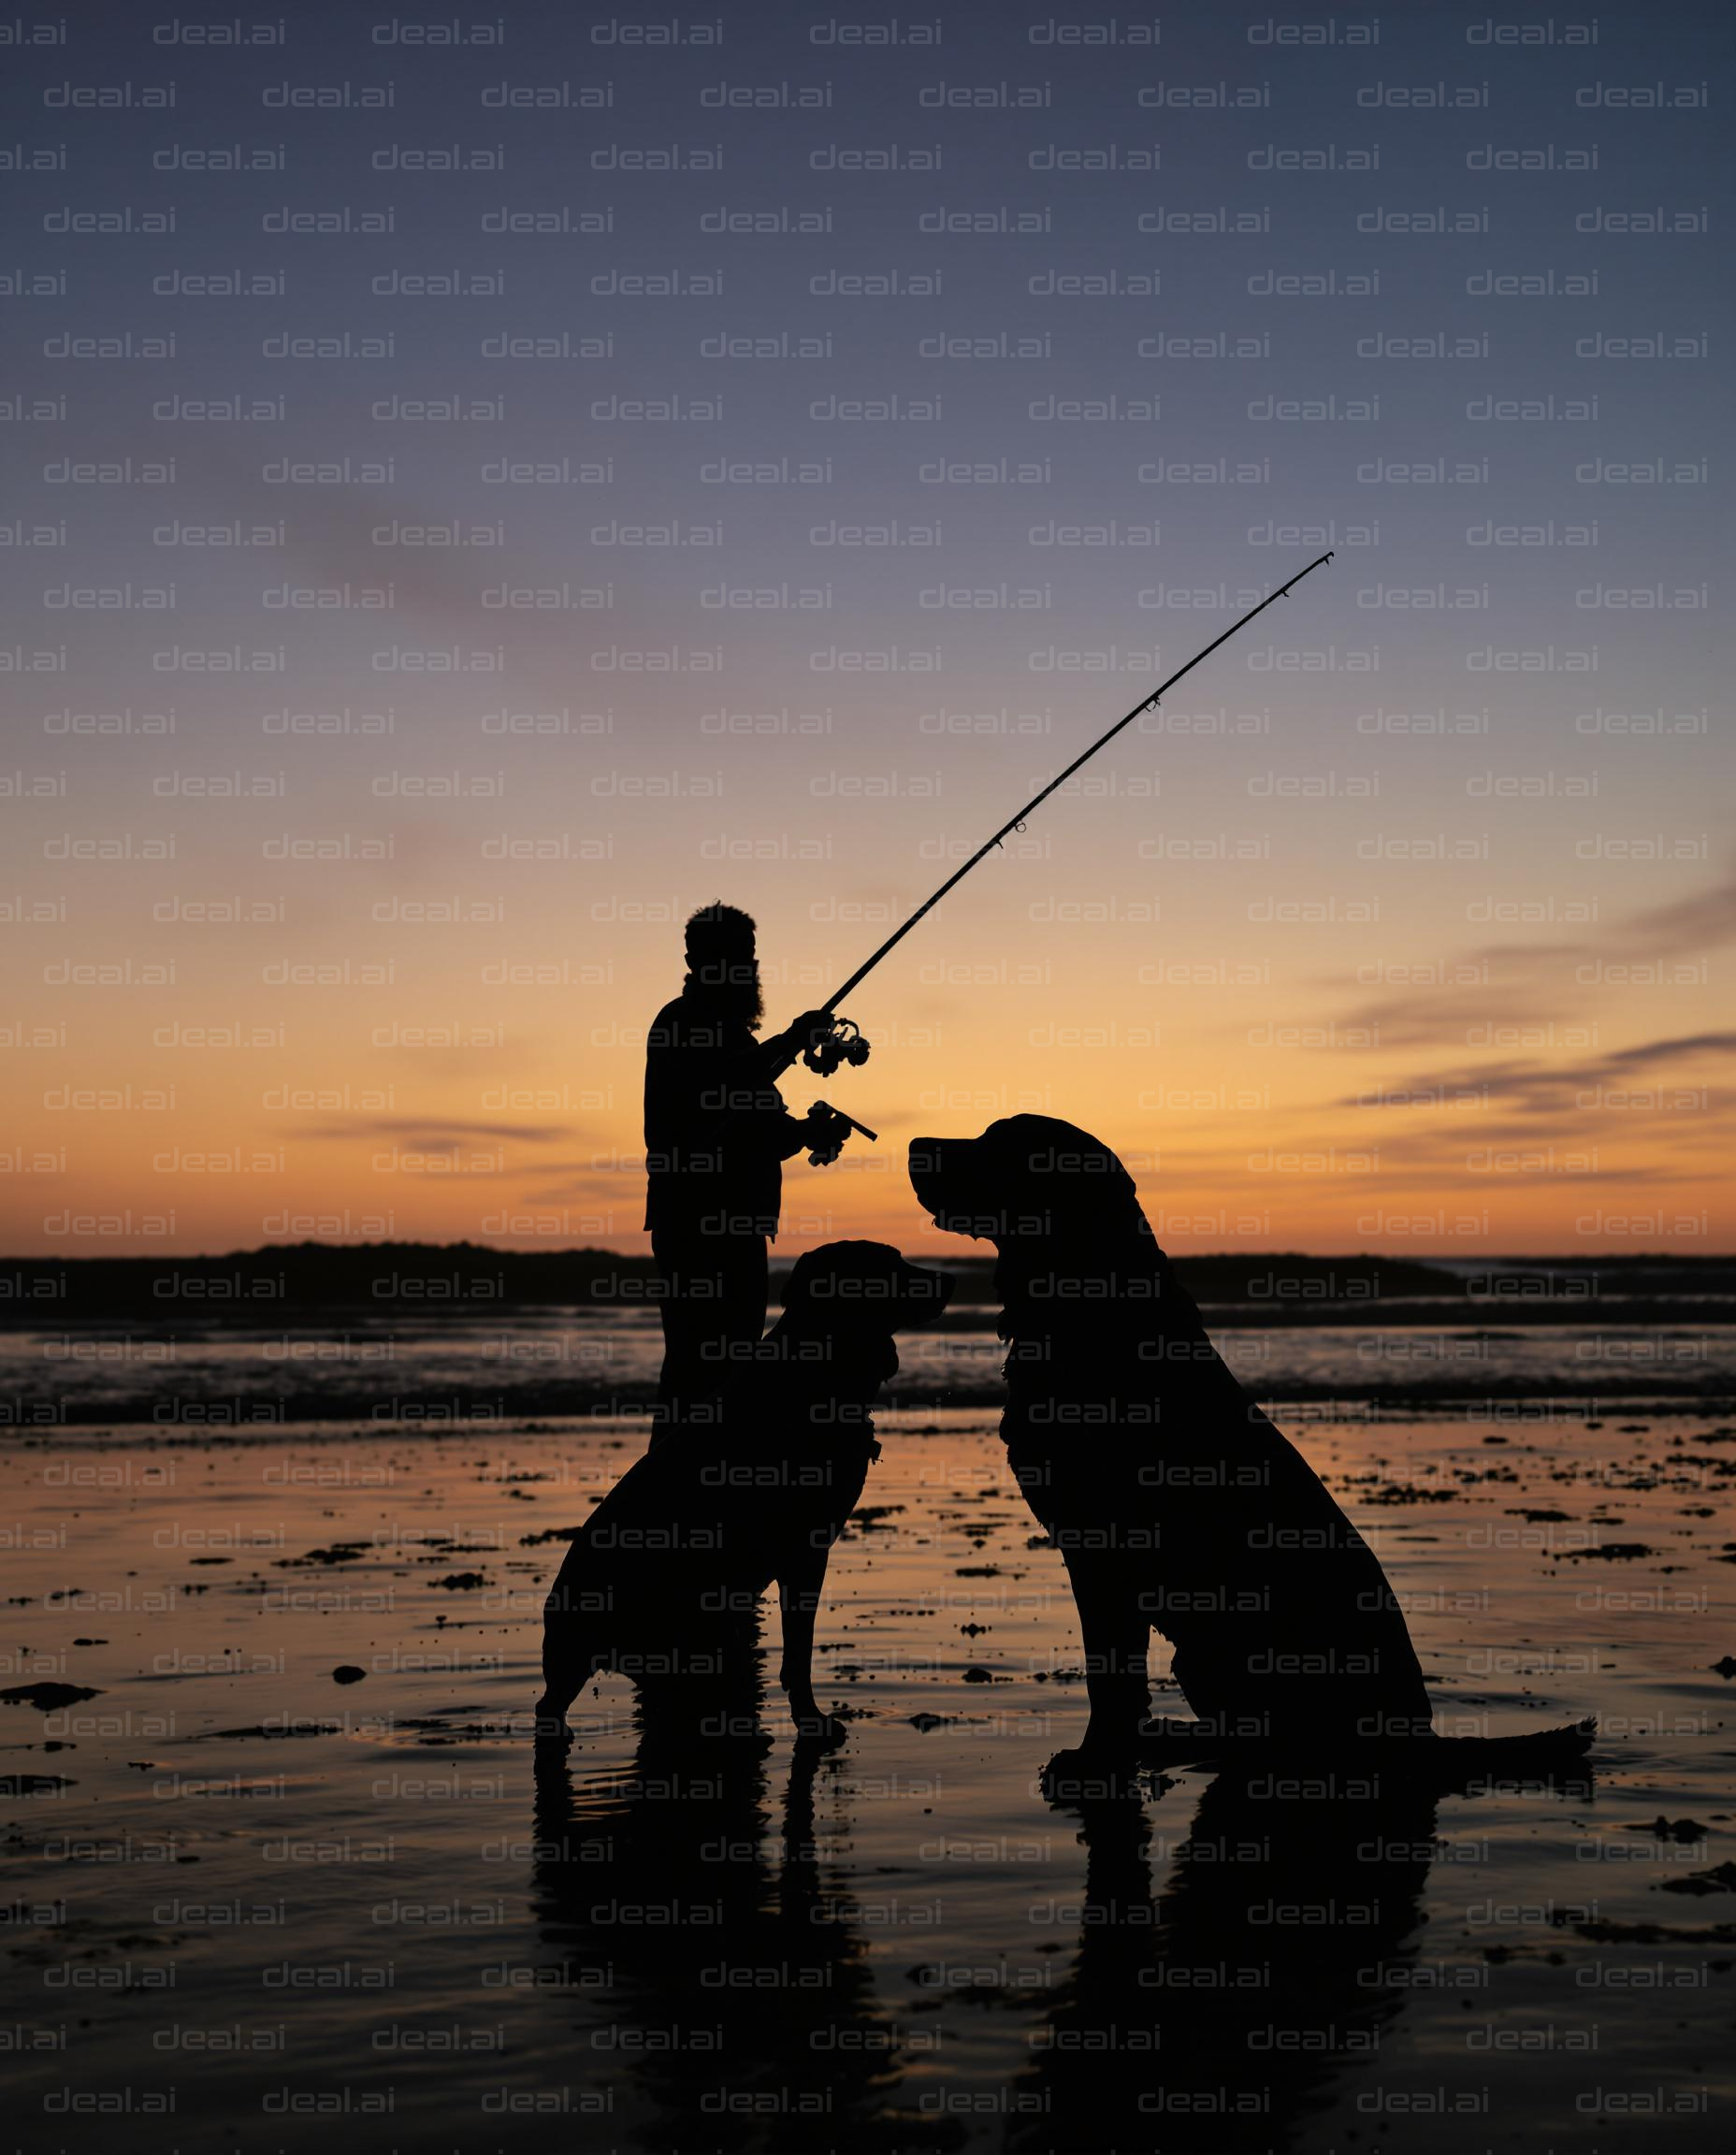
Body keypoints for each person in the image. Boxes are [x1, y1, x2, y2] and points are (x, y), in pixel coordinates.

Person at [643, 903, 852, 1441]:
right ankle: (668, 1497)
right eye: (732, 957)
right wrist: (794, 1037)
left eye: (749, 957)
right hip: (699, 1225)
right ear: (695, 960)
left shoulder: (733, 1035)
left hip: (738, 1224)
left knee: (727, 1367)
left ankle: (703, 1492)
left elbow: (745, 1127)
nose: (745, 969)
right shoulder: (684, 1022)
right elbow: (724, 1090)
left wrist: (804, 1133)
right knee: (697, 1369)